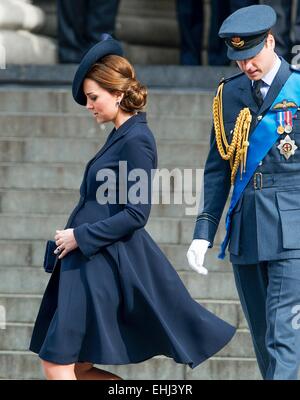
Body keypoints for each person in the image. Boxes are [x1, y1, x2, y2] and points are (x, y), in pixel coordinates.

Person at [29, 34, 235, 380]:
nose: (89, 105)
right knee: (75, 365)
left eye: (94, 97)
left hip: (96, 260)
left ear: (119, 94)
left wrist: (80, 235)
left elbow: (137, 213)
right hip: (86, 263)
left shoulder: (138, 139)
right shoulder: (120, 136)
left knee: (58, 363)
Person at [187, 4, 300, 380]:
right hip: (246, 230)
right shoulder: (229, 94)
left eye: (252, 55)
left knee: (285, 337)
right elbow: (218, 169)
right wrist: (204, 232)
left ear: (271, 41)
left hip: (292, 231)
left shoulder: (298, 86)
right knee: (264, 339)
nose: (247, 66)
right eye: (239, 59)